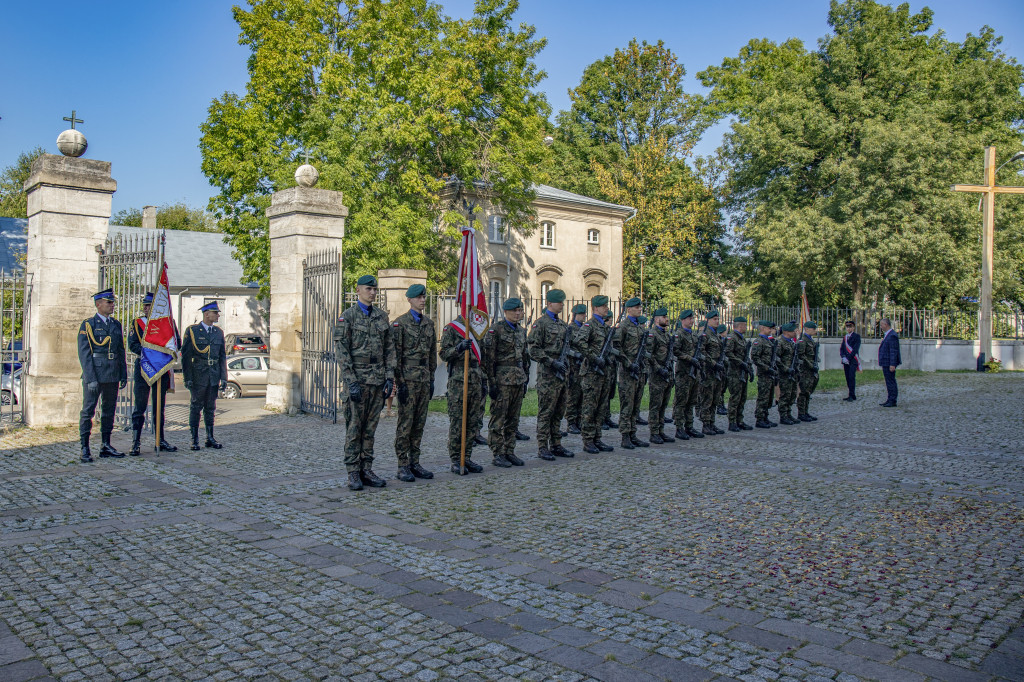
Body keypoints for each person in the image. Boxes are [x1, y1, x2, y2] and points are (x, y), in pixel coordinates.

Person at [334, 275, 396, 489]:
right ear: (358, 290)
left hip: (377, 380)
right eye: (369, 289)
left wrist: (389, 377)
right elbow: (342, 352)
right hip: (358, 380)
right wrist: (350, 381)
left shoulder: (381, 317)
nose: (373, 293)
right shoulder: (348, 317)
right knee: (354, 428)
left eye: (375, 289)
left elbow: (389, 349)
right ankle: (353, 471)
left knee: (370, 428)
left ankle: (366, 468)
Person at [391, 284, 436, 482]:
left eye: (424, 296)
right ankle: (402, 465)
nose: (422, 300)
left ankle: (414, 462)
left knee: (419, 424)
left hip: (424, 379)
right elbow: (395, 356)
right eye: (418, 297)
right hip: (407, 381)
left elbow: (432, 354)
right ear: (409, 299)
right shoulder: (400, 324)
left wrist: (432, 378)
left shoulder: (429, 324)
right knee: (405, 424)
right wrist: (398, 383)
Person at [78, 288, 128, 463]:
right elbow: (84, 354)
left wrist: (123, 374)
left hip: (112, 373)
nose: (112, 305)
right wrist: (90, 378)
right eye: (109, 302)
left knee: (109, 411)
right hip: (96, 374)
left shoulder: (115, 324)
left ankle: (106, 445)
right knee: (88, 411)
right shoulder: (88, 325)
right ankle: (85, 447)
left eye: (112, 302)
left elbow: (120, 350)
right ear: (98, 304)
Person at [127, 292, 179, 456]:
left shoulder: (168, 324)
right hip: (144, 368)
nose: (146, 308)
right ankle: (136, 442)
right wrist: (148, 354)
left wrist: (163, 355)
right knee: (140, 407)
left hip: (161, 369)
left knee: (159, 407)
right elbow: (132, 344)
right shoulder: (137, 323)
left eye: (149, 305)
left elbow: (177, 342)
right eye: (145, 305)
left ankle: (160, 439)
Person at [483, 298, 531, 467]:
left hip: (518, 379)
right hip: (502, 380)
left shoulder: (521, 331)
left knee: (513, 419)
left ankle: (509, 450)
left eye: (520, 310)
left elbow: (525, 357)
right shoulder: (496, 330)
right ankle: (497, 453)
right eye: (515, 311)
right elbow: (489, 359)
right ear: (506, 312)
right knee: (499, 419)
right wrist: (491, 383)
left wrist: (526, 377)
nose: (518, 313)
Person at [528, 289, 574, 460]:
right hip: (548, 374)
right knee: (546, 412)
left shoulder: (563, 326)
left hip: (562, 374)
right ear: (549, 304)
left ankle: (556, 444)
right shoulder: (540, 324)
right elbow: (533, 349)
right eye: (559, 302)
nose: (562, 304)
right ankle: (542, 446)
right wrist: (551, 362)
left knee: (559, 411)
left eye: (562, 302)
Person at [440, 315, 485, 474]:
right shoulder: (452, 328)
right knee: (458, 422)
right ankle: (455, 459)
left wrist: (484, 380)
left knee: (472, 422)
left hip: (475, 379)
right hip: (459, 381)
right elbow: (444, 353)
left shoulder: (479, 327)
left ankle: (466, 457)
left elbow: (483, 356)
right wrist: (458, 348)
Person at [181, 301, 228, 451]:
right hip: (198, 374)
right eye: (215, 312)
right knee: (196, 407)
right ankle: (194, 439)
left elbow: (222, 357)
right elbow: (186, 357)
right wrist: (187, 377)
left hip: (213, 375)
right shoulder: (193, 331)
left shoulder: (218, 332)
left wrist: (224, 377)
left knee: (210, 407)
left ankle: (210, 437)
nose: (218, 315)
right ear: (206, 314)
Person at [573, 295, 616, 454]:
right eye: (604, 306)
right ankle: (588, 440)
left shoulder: (605, 327)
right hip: (592, 373)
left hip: (604, 373)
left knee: (601, 407)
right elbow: (579, 342)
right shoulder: (589, 325)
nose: (606, 308)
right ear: (595, 308)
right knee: (589, 408)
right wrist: (593, 357)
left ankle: (597, 437)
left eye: (606, 305)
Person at [613, 298, 649, 449]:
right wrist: (628, 363)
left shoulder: (640, 328)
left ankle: (633, 433)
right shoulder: (623, 327)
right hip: (628, 372)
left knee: (636, 404)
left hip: (639, 370)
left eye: (640, 306)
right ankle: (625, 436)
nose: (639, 309)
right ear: (628, 310)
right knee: (627, 405)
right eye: (636, 307)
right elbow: (616, 348)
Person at [671, 310, 701, 440]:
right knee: (681, 401)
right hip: (683, 372)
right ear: (683, 320)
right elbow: (676, 351)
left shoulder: (694, 335)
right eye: (689, 319)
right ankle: (679, 427)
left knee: (691, 401)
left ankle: (689, 426)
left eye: (692, 318)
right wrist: (689, 358)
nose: (692, 321)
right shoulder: (679, 335)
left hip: (693, 373)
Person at [645, 308, 674, 444]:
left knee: (663, 405)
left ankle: (661, 431)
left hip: (666, 373)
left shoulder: (667, 335)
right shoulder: (653, 334)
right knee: (655, 405)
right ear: (657, 319)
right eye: (664, 317)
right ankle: (654, 432)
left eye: (666, 316)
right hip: (657, 374)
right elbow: (649, 355)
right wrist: (658, 368)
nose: (666, 319)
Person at [697, 311, 725, 435]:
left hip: (717, 372)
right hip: (708, 371)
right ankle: (705, 424)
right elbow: (701, 353)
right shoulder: (705, 335)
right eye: (714, 319)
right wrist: (714, 364)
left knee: (715, 399)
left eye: (718, 319)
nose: (717, 321)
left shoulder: (717, 335)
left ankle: (712, 423)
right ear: (707, 320)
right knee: (707, 399)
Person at [725, 316, 753, 432]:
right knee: (735, 398)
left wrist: (749, 368)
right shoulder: (732, 338)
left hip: (743, 372)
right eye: (745, 325)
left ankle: (739, 420)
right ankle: (732, 422)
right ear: (740, 326)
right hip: (735, 373)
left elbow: (746, 356)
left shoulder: (742, 339)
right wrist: (740, 363)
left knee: (742, 397)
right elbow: (728, 353)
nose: (746, 327)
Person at [750, 320, 778, 429]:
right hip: (764, 373)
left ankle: (765, 417)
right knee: (763, 397)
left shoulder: (769, 341)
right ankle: (760, 419)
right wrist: (767, 368)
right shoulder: (759, 341)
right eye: (769, 328)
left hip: (770, 373)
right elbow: (755, 358)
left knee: (769, 397)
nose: (771, 330)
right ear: (762, 328)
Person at [565, 303, 588, 434]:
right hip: (573, 366)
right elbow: (566, 348)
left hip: (583, 366)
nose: (584, 316)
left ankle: (579, 420)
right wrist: (576, 355)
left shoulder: (585, 328)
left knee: (582, 395)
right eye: (581, 314)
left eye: (584, 314)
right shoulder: (570, 329)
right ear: (575, 315)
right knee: (573, 395)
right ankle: (571, 421)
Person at [775, 322, 801, 425]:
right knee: (785, 395)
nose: (795, 333)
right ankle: (783, 415)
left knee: (792, 394)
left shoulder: (792, 342)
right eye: (793, 331)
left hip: (792, 372)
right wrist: (785, 369)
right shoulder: (780, 343)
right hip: (784, 373)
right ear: (786, 332)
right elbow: (776, 359)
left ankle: (788, 413)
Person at [796, 321, 820, 421]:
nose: (815, 331)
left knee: (808, 391)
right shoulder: (803, 340)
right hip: (805, 370)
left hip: (811, 370)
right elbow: (801, 355)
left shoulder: (811, 340)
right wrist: (810, 365)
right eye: (813, 329)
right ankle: (801, 413)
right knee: (803, 392)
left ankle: (806, 412)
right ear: (806, 329)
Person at [878, 317, 901, 407]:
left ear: (886, 325)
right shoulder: (888, 334)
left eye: (881, 325)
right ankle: (889, 398)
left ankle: (892, 400)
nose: (881, 327)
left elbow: (893, 351)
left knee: (891, 381)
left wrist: (892, 364)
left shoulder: (892, 335)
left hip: (889, 362)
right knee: (888, 381)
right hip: (886, 362)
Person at [840, 320, 861, 401]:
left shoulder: (856, 336)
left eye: (850, 327)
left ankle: (852, 395)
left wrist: (848, 358)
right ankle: (850, 394)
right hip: (846, 361)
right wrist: (843, 356)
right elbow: (842, 348)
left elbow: (855, 349)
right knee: (847, 377)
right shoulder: (845, 337)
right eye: (847, 327)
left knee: (852, 377)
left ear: (853, 327)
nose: (848, 328)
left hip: (853, 360)